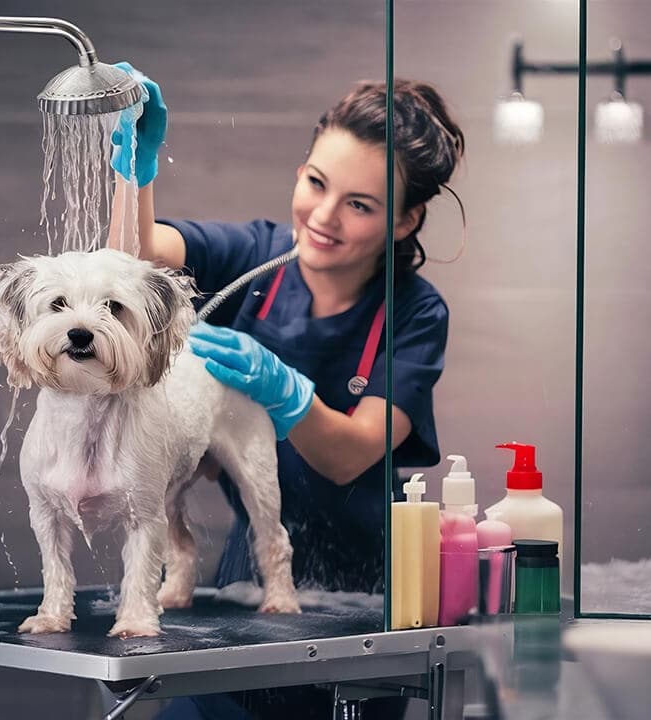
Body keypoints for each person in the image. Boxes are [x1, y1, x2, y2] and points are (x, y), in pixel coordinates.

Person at [107, 65, 465, 719]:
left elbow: (353, 453)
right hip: (250, 588)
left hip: (363, 609)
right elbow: (128, 265)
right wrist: (136, 168)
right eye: (316, 183)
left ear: (406, 221)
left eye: (360, 204)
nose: (323, 217)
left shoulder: (414, 312)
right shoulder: (255, 256)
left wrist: (284, 391)